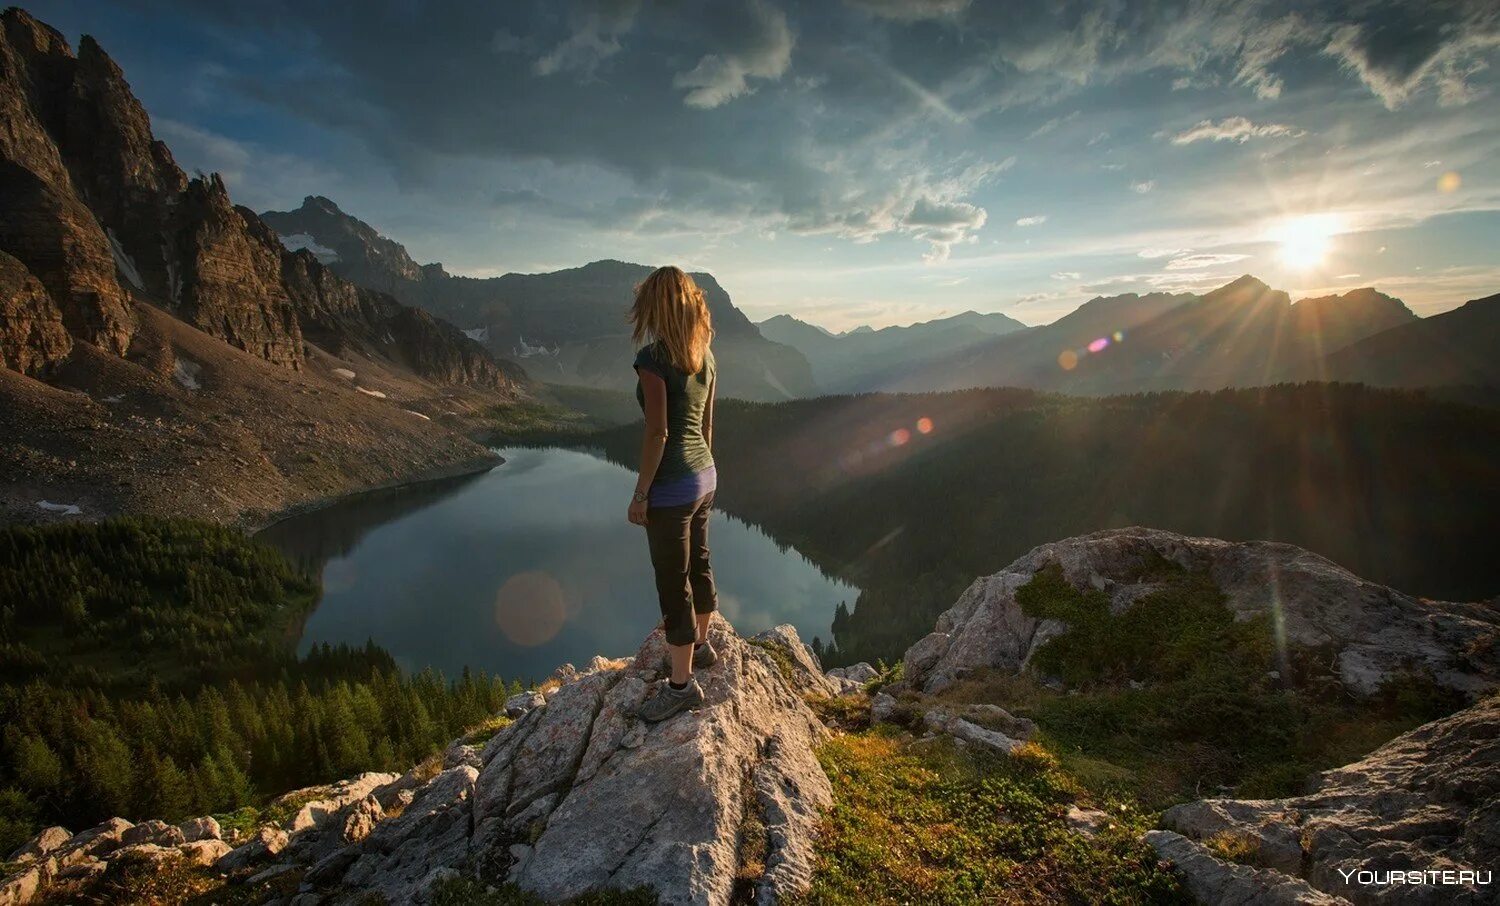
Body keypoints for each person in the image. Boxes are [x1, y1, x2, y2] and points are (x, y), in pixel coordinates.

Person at [626, 266, 719, 722]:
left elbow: (658, 432)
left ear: (655, 307)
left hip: (672, 486)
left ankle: (681, 686)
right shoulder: (707, 355)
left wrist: (642, 493)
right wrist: (705, 474)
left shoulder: (653, 359)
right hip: (705, 474)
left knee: (672, 581)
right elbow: (705, 428)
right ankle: (700, 646)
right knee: (699, 562)